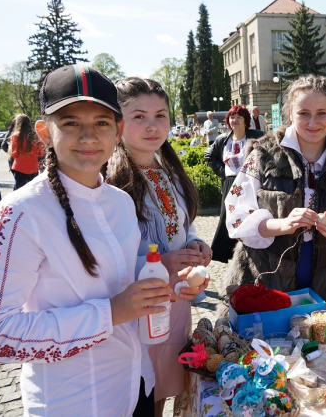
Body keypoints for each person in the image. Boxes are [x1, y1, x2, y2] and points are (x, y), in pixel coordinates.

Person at [0, 65, 184, 416]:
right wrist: (110, 314)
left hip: (136, 386)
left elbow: (124, 281)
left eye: (101, 123)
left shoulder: (119, 201)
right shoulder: (21, 213)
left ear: (117, 131)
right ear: (44, 132)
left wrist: (165, 285)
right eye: (71, 123)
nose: (88, 136)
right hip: (73, 401)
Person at [222, 75, 326, 338]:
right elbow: (235, 214)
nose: (313, 122)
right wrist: (278, 225)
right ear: (291, 113)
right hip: (265, 279)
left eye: (322, 113)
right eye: (304, 113)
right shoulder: (262, 155)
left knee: (324, 365)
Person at [108, 77, 212, 416]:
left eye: (161, 115)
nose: (152, 126)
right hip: (136, 306)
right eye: (139, 116)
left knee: (170, 379)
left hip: (177, 298)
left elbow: (182, 225)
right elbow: (105, 257)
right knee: (142, 391)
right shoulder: (108, 178)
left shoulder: (169, 169)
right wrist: (158, 262)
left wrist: (195, 244)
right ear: (118, 121)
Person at [205, 105, 264, 263]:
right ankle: (226, 253)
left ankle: (250, 249)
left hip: (249, 182)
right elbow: (209, 156)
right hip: (230, 182)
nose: (235, 120)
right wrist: (222, 171)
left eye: (239, 117)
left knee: (249, 213)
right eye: (232, 117)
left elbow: (268, 151)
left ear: (246, 121)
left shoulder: (257, 136)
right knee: (228, 216)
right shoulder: (222, 139)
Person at [9, 114, 45, 190]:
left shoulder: (15, 136)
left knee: (18, 191)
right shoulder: (36, 135)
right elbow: (41, 153)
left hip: (19, 167)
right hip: (33, 168)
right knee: (32, 190)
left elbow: (14, 154)